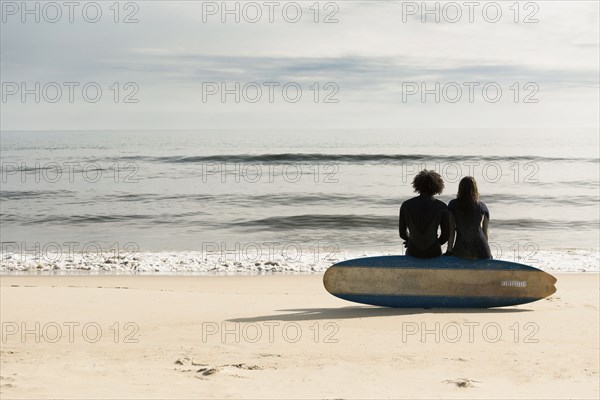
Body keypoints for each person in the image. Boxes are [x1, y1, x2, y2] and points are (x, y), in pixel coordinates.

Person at [399, 170, 449, 258]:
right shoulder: (442, 207)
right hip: (434, 251)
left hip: (413, 250)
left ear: (417, 185)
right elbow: (445, 235)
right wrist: (436, 243)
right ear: (437, 186)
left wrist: (410, 240)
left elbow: (402, 233)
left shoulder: (406, 205)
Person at [446, 176, 492, 259]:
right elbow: (485, 232)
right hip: (481, 249)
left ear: (460, 189)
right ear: (475, 189)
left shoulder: (452, 205)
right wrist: (488, 251)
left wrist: (449, 251)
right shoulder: (482, 207)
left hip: (461, 248)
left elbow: (451, 230)